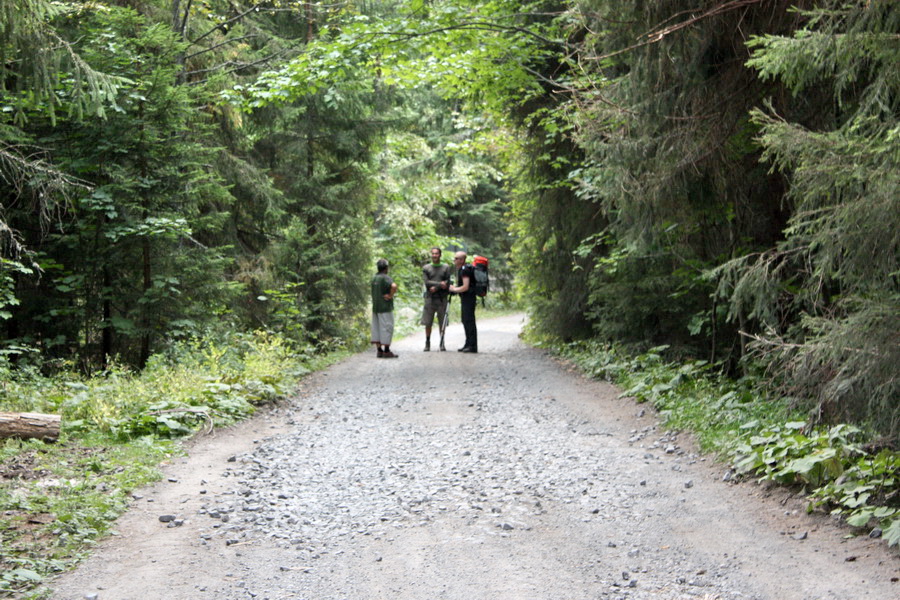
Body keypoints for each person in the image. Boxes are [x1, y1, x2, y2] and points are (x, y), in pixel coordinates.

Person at [421, 246, 451, 351]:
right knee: (428, 322)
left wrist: (437, 287)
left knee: (442, 322)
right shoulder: (426, 268)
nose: (434, 255)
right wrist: (439, 284)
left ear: (440, 255)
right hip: (430, 298)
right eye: (433, 253)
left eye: (436, 253)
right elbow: (426, 282)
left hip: (442, 298)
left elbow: (447, 281)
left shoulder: (446, 267)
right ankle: (427, 342)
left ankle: (442, 343)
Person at [449, 250, 477, 353]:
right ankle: (468, 343)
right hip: (467, 298)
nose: (454, 260)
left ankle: (472, 345)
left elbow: (465, 287)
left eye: (456, 259)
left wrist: (453, 289)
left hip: (468, 298)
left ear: (461, 260)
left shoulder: (465, 270)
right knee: (466, 320)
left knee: (468, 321)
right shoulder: (464, 269)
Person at [370, 258, 398, 358]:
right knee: (387, 327)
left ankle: (379, 350)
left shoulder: (374, 278)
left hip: (376, 307)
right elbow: (394, 286)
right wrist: (390, 296)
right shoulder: (386, 278)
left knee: (376, 328)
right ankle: (386, 351)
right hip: (385, 307)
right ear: (386, 268)